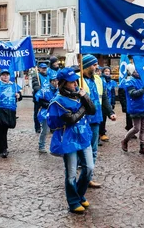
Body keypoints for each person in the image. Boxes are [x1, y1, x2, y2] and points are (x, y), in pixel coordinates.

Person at [47, 67, 96, 214]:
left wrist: (85, 97)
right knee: (71, 174)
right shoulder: (58, 101)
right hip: (68, 140)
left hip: (83, 136)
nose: (75, 83)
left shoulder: (78, 95)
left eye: (75, 80)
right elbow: (71, 119)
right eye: (71, 82)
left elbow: (92, 110)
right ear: (63, 83)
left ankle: (80, 194)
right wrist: (83, 106)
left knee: (89, 168)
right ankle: (73, 201)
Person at [80, 54, 116, 188]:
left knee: (93, 149)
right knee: (82, 149)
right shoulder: (78, 79)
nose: (96, 67)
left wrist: (111, 112)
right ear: (86, 66)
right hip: (81, 120)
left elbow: (104, 97)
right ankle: (81, 174)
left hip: (96, 119)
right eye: (94, 65)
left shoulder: (98, 79)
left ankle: (88, 177)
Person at [121, 64, 144, 155]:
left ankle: (142, 146)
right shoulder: (129, 81)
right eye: (135, 71)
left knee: (143, 128)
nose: (137, 73)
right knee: (136, 128)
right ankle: (125, 140)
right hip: (135, 107)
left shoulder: (142, 80)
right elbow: (133, 94)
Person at [0, 70, 22, 158]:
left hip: (10, 109)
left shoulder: (14, 85)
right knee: (2, 128)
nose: (5, 76)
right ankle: (4, 149)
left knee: (5, 128)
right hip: (0, 109)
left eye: (7, 75)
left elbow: (20, 96)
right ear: (0, 76)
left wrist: (19, 95)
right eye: (4, 75)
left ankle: (1, 148)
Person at [36, 75, 58, 153]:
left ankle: (56, 147)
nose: (56, 82)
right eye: (54, 81)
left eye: (57, 80)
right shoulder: (45, 90)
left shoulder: (59, 90)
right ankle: (41, 146)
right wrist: (48, 105)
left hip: (56, 113)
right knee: (45, 130)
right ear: (51, 82)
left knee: (57, 131)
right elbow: (40, 101)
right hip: (46, 113)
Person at [99, 66, 118, 142]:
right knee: (101, 119)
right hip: (101, 103)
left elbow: (113, 93)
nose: (107, 72)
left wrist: (113, 103)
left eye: (108, 71)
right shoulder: (100, 80)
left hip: (108, 102)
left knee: (104, 119)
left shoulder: (112, 82)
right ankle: (100, 133)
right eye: (105, 71)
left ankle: (102, 132)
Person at [32, 63, 51, 134]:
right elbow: (35, 86)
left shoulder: (49, 76)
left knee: (48, 112)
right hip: (39, 98)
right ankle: (37, 128)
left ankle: (48, 126)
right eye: (42, 68)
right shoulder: (36, 76)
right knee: (37, 113)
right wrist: (41, 92)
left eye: (45, 68)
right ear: (39, 69)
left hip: (47, 97)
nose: (44, 69)